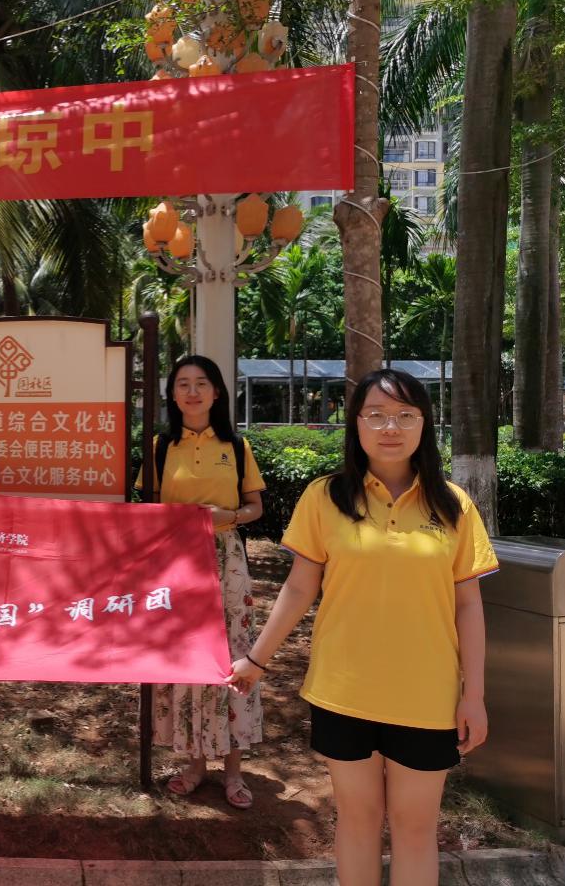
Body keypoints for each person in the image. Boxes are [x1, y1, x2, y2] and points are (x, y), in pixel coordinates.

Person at [227, 369, 496, 886]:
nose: (390, 427)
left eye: (405, 415)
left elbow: (469, 606)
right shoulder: (325, 497)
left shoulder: (454, 505)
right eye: (376, 415)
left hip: (427, 697)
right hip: (343, 691)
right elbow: (299, 588)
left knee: (415, 829)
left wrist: (475, 696)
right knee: (357, 820)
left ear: (424, 425)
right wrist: (257, 660)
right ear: (356, 424)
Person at [142, 356, 266, 808]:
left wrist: (226, 517)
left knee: (233, 655)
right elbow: (148, 508)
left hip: (227, 559)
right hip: (176, 561)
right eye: (182, 384)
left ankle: (234, 770)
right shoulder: (160, 447)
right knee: (186, 654)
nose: (192, 392)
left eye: (201, 383)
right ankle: (194, 764)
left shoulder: (236, 446)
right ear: (172, 394)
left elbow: (256, 508)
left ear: (217, 392)